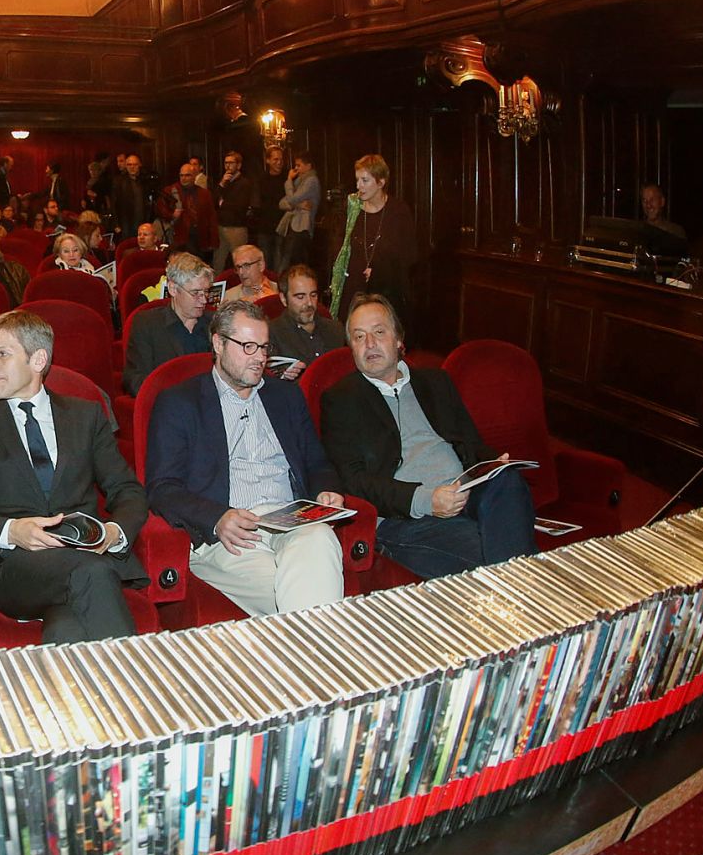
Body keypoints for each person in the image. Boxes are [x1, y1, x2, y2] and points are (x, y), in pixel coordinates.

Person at [0, 310, 148, 643]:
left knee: (67, 628)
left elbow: (127, 490)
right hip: (13, 567)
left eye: (2, 354)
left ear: (38, 360)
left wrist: (113, 533)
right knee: (90, 573)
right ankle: (135, 675)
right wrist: (11, 531)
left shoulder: (85, 416)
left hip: (85, 556)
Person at [144, 301, 346, 616]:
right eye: (248, 347)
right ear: (218, 344)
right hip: (228, 533)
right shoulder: (180, 402)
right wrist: (217, 517)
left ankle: (312, 642)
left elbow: (317, 463)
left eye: (264, 348)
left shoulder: (286, 396)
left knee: (320, 538)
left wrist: (325, 490)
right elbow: (161, 488)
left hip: (291, 519)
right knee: (302, 593)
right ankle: (326, 642)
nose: (260, 358)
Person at [321, 295, 534, 580]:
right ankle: (521, 586)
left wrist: (492, 463)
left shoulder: (436, 382)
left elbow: (471, 445)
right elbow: (354, 481)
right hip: (407, 516)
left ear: (398, 339)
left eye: (379, 332)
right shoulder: (341, 399)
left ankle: (516, 584)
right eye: (359, 337)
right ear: (351, 348)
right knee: (496, 553)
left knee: (508, 481)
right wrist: (426, 500)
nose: (369, 343)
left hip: (465, 493)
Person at [330, 154, 419, 323]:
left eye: (364, 180)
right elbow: (338, 246)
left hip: (386, 291)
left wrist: (380, 270)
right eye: (357, 180)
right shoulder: (352, 208)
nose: (358, 186)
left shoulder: (398, 211)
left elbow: (409, 255)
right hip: (353, 288)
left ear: (380, 182)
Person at [122, 251, 213, 394]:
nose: (203, 300)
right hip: (168, 401)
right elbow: (134, 379)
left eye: (206, 292)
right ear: (173, 289)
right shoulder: (147, 324)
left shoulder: (215, 323)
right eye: (195, 293)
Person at [268, 264, 346, 380]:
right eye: (300, 297)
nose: (309, 303)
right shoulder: (271, 333)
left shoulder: (336, 329)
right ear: (284, 299)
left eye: (313, 295)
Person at [275, 150, 321, 273]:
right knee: (286, 260)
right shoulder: (299, 181)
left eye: (299, 165)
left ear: (308, 166)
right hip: (292, 226)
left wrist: (289, 180)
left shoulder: (311, 180)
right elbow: (282, 203)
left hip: (301, 228)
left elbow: (292, 199)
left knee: (292, 263)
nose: (296, 168)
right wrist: (299, 205)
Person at [214, 150, 254, 272]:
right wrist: (221, 184)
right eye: (226, 163)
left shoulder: (244, 183)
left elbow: (239, 206)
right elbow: (214, 200)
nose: (228, 166)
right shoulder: (224, 182)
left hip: (236, 228)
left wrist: (223, 203)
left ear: (239, 165)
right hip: (222, 226)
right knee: (218, 261)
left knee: (240, 261)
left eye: (231, 163)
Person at [254, 144, 288, 267]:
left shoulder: (288, 179)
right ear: (267, 160)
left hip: (282, 226)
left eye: (281, 159)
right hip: (265, 227)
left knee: (280, 261)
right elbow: (257, 203)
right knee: (265, 262)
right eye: (275, 159)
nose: (279, 163)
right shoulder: (261, 180)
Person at [640, 182, 690, 254]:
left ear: (662, 202)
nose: (648, 205)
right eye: (645, 201)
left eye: (652, 200)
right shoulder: (637, 231)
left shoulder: (675, 232)